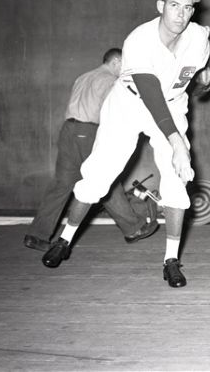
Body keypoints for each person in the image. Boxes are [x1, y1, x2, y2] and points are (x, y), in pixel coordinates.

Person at [41, 0, 210, 289]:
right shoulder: (139, 40)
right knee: (99, 175)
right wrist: (177, 143)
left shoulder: (198, 36)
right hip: (130, 103)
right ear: (161, 7)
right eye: (174, 6)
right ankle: (65, 240)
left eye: (188, 8)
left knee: (178, 179)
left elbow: (207, 46)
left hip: (174, 104)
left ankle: (171, 260)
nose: (181, 14)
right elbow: (151, 95)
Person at [24, 48, 159, 252]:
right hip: (89, 131)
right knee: (104, 180)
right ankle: (133, 228)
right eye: (124, 65)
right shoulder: (110, 81)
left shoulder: (83, 77)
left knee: (61, 184)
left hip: (69, 130)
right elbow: (116, 110)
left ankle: (37, 235)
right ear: (116, 61)